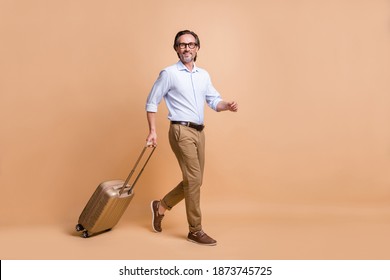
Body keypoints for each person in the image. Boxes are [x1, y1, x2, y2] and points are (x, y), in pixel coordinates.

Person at [145, 30, 238, 246]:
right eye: (182, 44)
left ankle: (161, 206)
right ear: (176, 48)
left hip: (199, 131)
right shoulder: (169, 73)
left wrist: (227, 106)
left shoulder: (203, 75)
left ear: (197, 48)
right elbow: (151, 102)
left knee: (194, 180)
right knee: (194, 180)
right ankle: (195, 230)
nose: (186, 48)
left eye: (191, 44)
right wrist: (152, 131)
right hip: (180, 130)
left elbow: (215, 101)